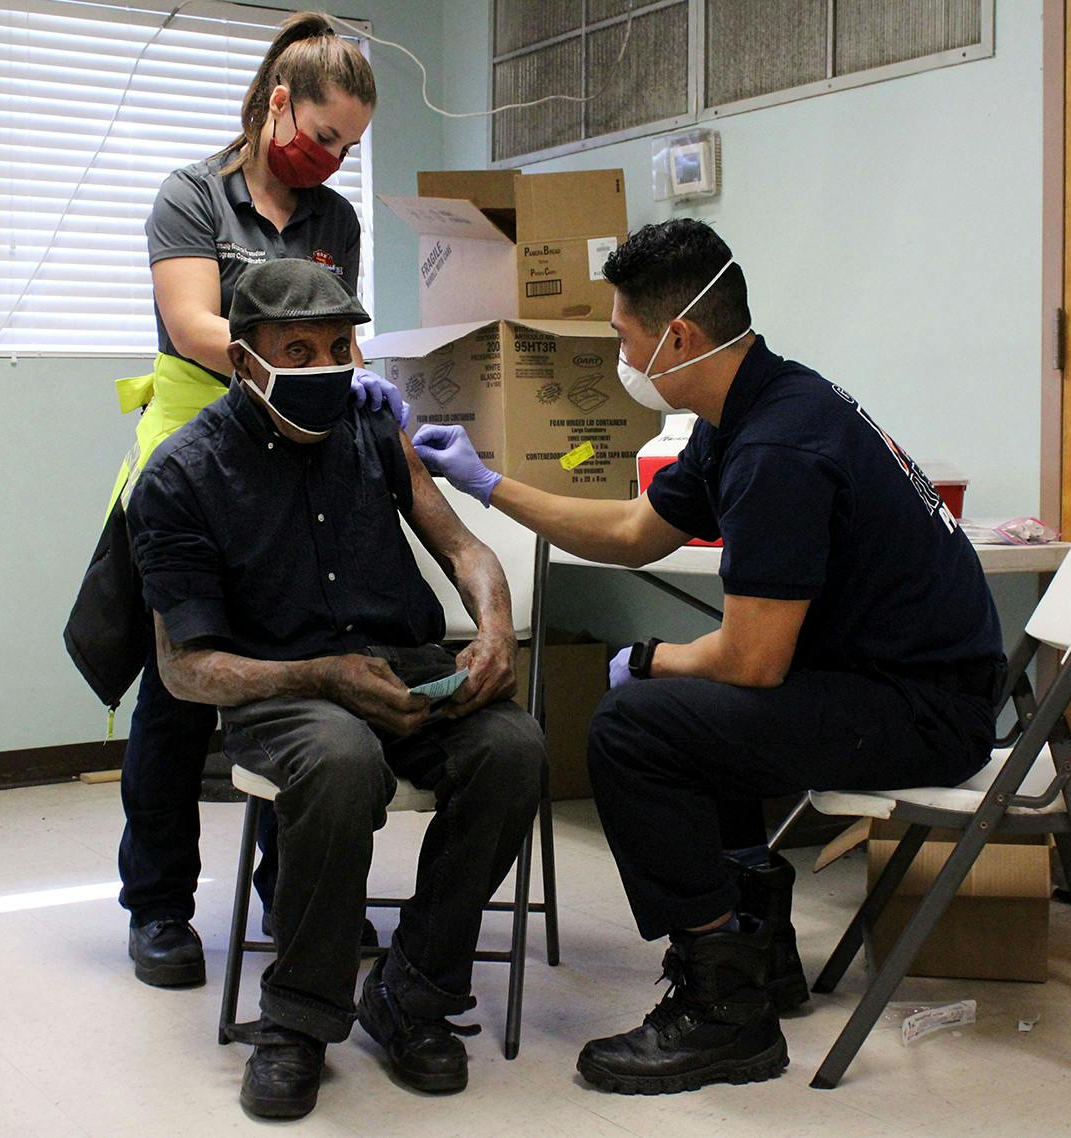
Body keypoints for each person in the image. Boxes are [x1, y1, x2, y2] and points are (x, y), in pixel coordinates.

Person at [412, 218, 1005, 1096]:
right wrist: (490, 483)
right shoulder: (754, 404)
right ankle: (761, 957)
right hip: (892, 679)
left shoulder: (777, 448)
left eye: (623, 336)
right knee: (689, 716)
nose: (622, 353)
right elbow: (636, 530)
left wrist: (649, 659)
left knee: (636, 729)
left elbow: (755, 661)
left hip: (924, 709)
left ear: (678, 336)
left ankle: (725, 1012)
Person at [125, 257, 545, 1118]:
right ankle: (297, 1024)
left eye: (339, 346)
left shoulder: (372, 430)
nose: (326, 367)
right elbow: (184, 669)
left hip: (403, 664)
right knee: (341, 757)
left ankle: (413, 992)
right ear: (244, 360)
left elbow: (464, 549)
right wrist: (322, 676)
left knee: (515, 748)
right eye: (298, 349)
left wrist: (495, 629)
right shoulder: (180, 476)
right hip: (283, 688)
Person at [106, 11, 396, 987]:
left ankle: (294, 884)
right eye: (322, 137)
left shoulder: (335, 222)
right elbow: (194, 324)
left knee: (299, 655)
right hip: (204, 446)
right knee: (180, 688)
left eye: (348, 147)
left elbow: (339, 333)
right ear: (279, 104)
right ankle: (158, 907)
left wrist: (361, 378)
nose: (332, 159)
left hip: (301, 456)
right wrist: (278, 365)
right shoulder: (193, 196)